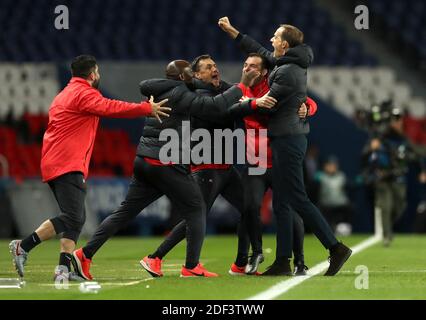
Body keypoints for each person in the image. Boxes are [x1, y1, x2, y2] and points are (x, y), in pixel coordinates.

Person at [72, 60, 259, 279]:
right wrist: (243, 84)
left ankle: (84, 254)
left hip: (145, 159)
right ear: (182, 77)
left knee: (124, 212)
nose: (193, 77)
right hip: (165, 162)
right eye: (191, 73)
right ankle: (190, 266)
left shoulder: (164, 89)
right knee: (196, 209)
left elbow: (208, 94)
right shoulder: (181, 93)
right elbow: (213, 107)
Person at [9, 55, 170, 281]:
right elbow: (111, 107)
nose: (99, 76)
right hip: (66, 162)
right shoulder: (83, 93)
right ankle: (23, 246)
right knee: (73, 217)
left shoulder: (65, 93)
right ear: (92, 74)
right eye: (98, 73)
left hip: (58, 161)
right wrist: (146, 108)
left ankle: (63, 271)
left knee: (75, 217)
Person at [219, 17, 352, 276]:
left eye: (275, 37)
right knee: (283, 203)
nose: (271, 40)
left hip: (288, 139)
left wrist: (248, 102)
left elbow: (269, 104)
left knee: (296, 198)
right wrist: (234, 32)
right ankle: (283, 261)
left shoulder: (287, 71)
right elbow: (259, 50)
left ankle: (335, 247)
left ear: (285, 45)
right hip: (285, 138)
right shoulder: (288, 62)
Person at [140, 54, 276, 277]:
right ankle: (155, 257)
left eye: (215, 65)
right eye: (208, 68)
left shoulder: (221, 89)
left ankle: (240, 264)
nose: (215, 69)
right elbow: (222, 111)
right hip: (206, 166)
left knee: (249, 209)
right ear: (196, 75)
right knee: (195, 217)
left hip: (225, 167)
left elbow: (232, 94)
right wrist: (251, 103)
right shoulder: (197, 95)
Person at [227, 53, 317, 276]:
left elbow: (308, 101)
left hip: (279, 161)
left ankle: (299, 261)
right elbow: (226, 108)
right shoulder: (238, 90)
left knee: (289, 211)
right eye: (245, 65)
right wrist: (251, 102)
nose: (247, 69)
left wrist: (307, 108)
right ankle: (254, 253)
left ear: (264, 71)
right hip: (255, 163)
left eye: (254, 67)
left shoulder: (276, 88)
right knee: (249, 208)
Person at [362, 108, 426, 246]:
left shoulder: (403, 139)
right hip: (383, 177)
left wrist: (422, 170)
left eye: (399, 119)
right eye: (395, 119)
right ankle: (387, 235)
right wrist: (372, 149)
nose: (398, 122)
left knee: (399, 206)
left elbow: (416, 154)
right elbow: (366, 155)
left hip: (398, 177)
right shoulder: (381, 136)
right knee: (385, 206)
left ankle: (387, 226)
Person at [316, 156, 353, 235]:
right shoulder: (320, 177)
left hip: (341, 207)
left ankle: (343, 229)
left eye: (334, 165)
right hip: (326, 208)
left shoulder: (341, 176)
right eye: (329, 165)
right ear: (325, 166)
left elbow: (349, 186)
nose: (332, 167)